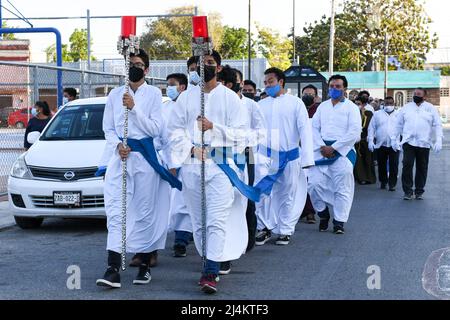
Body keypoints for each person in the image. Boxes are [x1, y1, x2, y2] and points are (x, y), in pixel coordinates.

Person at [96, 48, 181, 288]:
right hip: (120, 159)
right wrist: (117, 146)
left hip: (144, 159)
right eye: (130, 63)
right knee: (116, 212)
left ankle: (144, 264)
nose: (134, 67)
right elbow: (108, 129)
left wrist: (134, 108)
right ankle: (112, 267)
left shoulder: (154, 94)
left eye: (138, 64)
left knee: (144, 212)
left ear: (146, 69)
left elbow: (155, 129)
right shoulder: (114, 94)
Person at [167, 50, 249, 294]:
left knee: (216, 218)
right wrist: (191, 148)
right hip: (192, 166)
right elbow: (173, 130)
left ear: (220, 67)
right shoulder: (186, 98)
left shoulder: (231, 99)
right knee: (199, 220)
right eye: (202, 63)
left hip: (220, 167)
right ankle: (207, 261)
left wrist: (214, 128)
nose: (206, 66)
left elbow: (242, 134)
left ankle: (211, 271)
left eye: (211, 62)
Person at [254, 67, 314, 246]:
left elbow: (305, 130)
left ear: (280, 82)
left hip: (289, 157)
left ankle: (284, 230)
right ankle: (264, 228)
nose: (267, 85)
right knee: (263, 193)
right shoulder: (260, 105)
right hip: (265, 157)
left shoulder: (295, 103)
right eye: (265, 83)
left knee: (287, 194)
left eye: (270, 82)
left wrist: (307, 159)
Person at [216, 66, 266, 273]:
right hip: (217, 157)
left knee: (243, 198)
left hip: (244, 155)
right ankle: (219, 250)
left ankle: (246, 237)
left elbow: (260, 131)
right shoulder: (212, 102)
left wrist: (246, 142)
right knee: (221, 203)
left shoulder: (250, 105)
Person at [308, 75, 361, 234]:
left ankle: (339, 221)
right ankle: (323, 214)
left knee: (342, 188)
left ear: (344, 88)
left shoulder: (351, 107)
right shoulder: (322, 106)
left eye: (338, 86)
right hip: (321, 150)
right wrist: (322, 146)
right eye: (332, 86)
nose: (334, 89)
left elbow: (354, 132)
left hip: (342, 152)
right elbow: (314, 128)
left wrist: (335, 148)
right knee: (314, 185)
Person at [390, 88, 443, 200]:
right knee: (407, 165)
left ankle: (419, 191)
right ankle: (408, 191)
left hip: (424, 143)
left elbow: (437, 124)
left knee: (422, 167)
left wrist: (438, 140)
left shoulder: (430, 108)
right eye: (414, 94)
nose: (415, 95)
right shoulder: (406, 107)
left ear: (424, 97)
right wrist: (393, 139)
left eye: (418, 94)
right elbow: (398, 124)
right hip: (408, 142)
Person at [165, 73, 193, 258]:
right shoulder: (164, 107)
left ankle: (181, 240)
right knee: (170, 205)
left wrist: (177, 161)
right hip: (165, 161)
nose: (168, 88)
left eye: (172, 85)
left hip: (187, 161)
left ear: (182, 87)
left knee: (184, 203)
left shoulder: (192, 105)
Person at [368, 96, 400, 191]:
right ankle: (383, 181)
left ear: (394, 104)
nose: (388, 105)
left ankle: (392, 184)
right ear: (383, 104)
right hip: (380, 144)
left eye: (391, 103)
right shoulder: (377, 114)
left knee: (394, 165)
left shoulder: (398, 115)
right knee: (381, 165)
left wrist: (402, 142)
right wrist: (370, 140)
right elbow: (371, 128)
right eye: (387, 103)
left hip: (394, 144)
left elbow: (404, 128)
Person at [299, 84, 321, 224]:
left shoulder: (318, 111)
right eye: (305, 94)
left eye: (310, 94)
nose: (307, 96)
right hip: (297, 150)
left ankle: (310, 211)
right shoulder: (298, 108)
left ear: (316, 96)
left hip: (313, 151)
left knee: (311, 182)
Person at [354, 91, 376, 185]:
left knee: (367, 159)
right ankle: (360, 178)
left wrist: (370, 138)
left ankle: (369, 178)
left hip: (366, 139)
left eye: (358, 104)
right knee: (358, 160)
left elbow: (371, 126)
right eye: (355, 104)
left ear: (363, 104)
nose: (357, 106)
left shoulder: (369, 113)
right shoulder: (354, 113)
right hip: (356, 140)